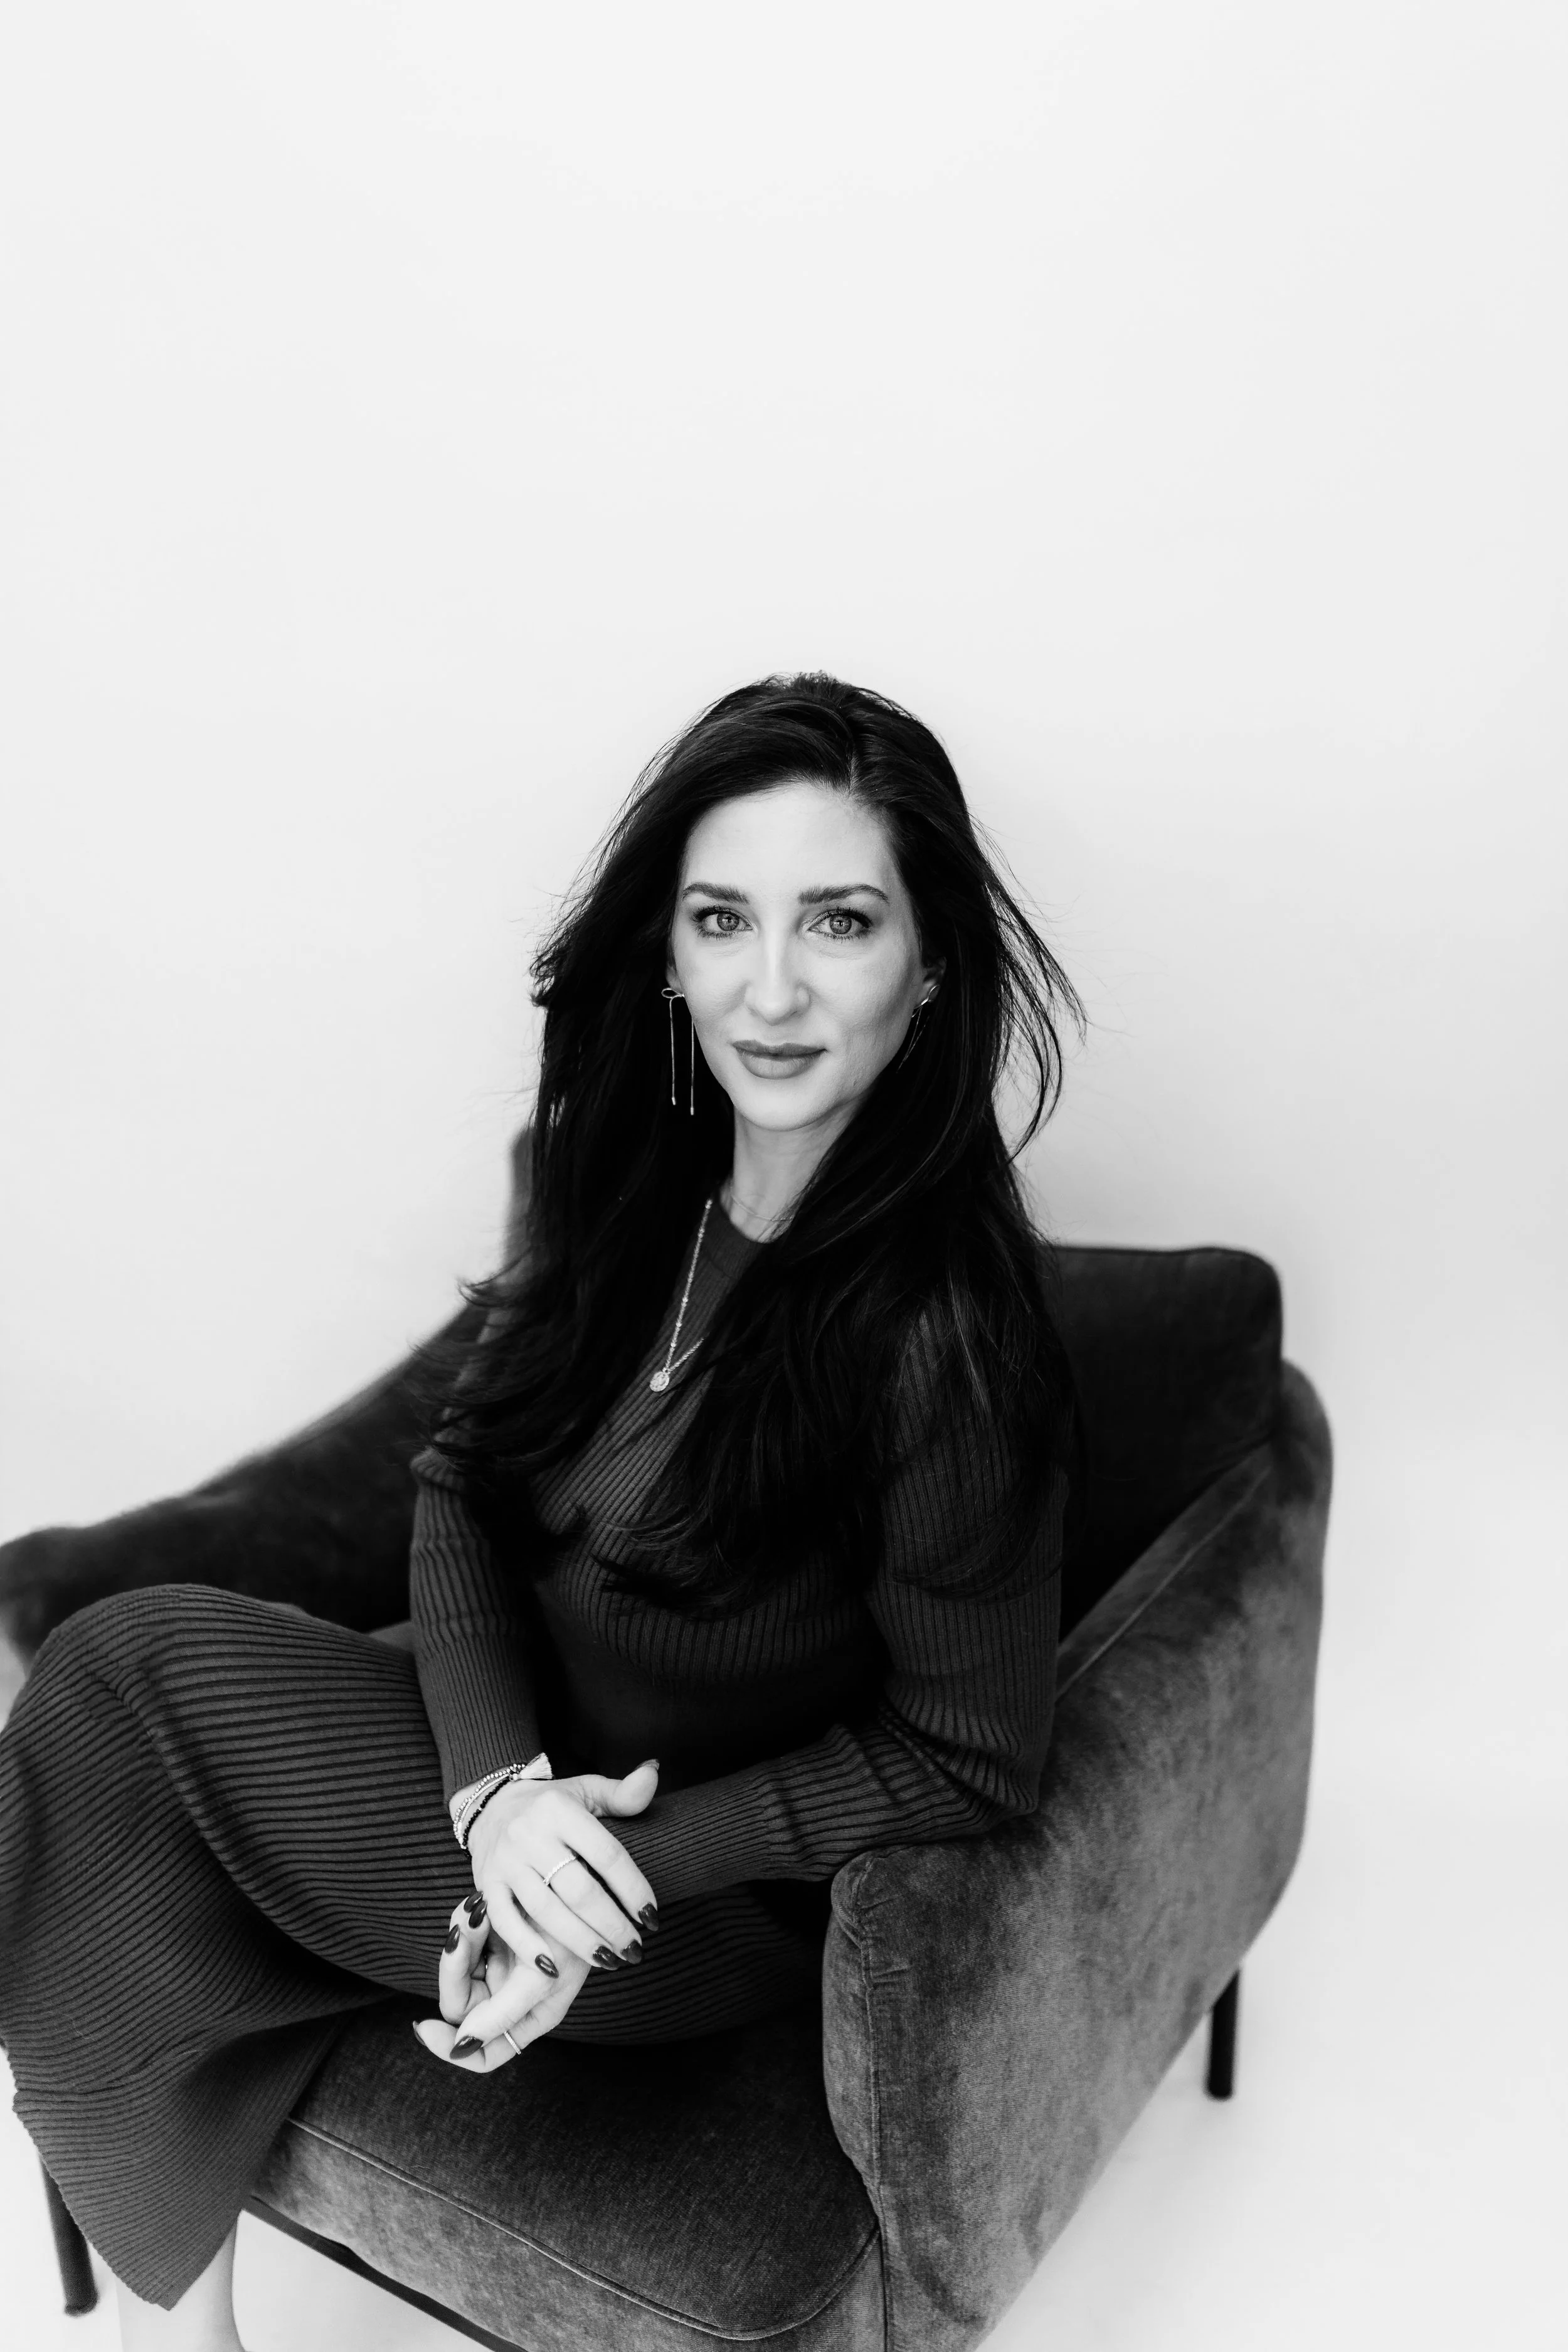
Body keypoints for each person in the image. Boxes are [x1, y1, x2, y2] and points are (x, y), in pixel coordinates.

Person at [0, 673, 1083, 2351]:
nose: (772, 986)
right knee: (100, 1765)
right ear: (665, 950)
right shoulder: (627, 1180)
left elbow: (968, 1754)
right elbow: (461, 1487)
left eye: (841, 921)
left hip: (665, 1899)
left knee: (106, 1685)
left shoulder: (944, 1340)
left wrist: (608, 1851)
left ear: (930, 963)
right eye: (722, 917)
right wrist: (497, 1784)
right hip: (511, 1783)